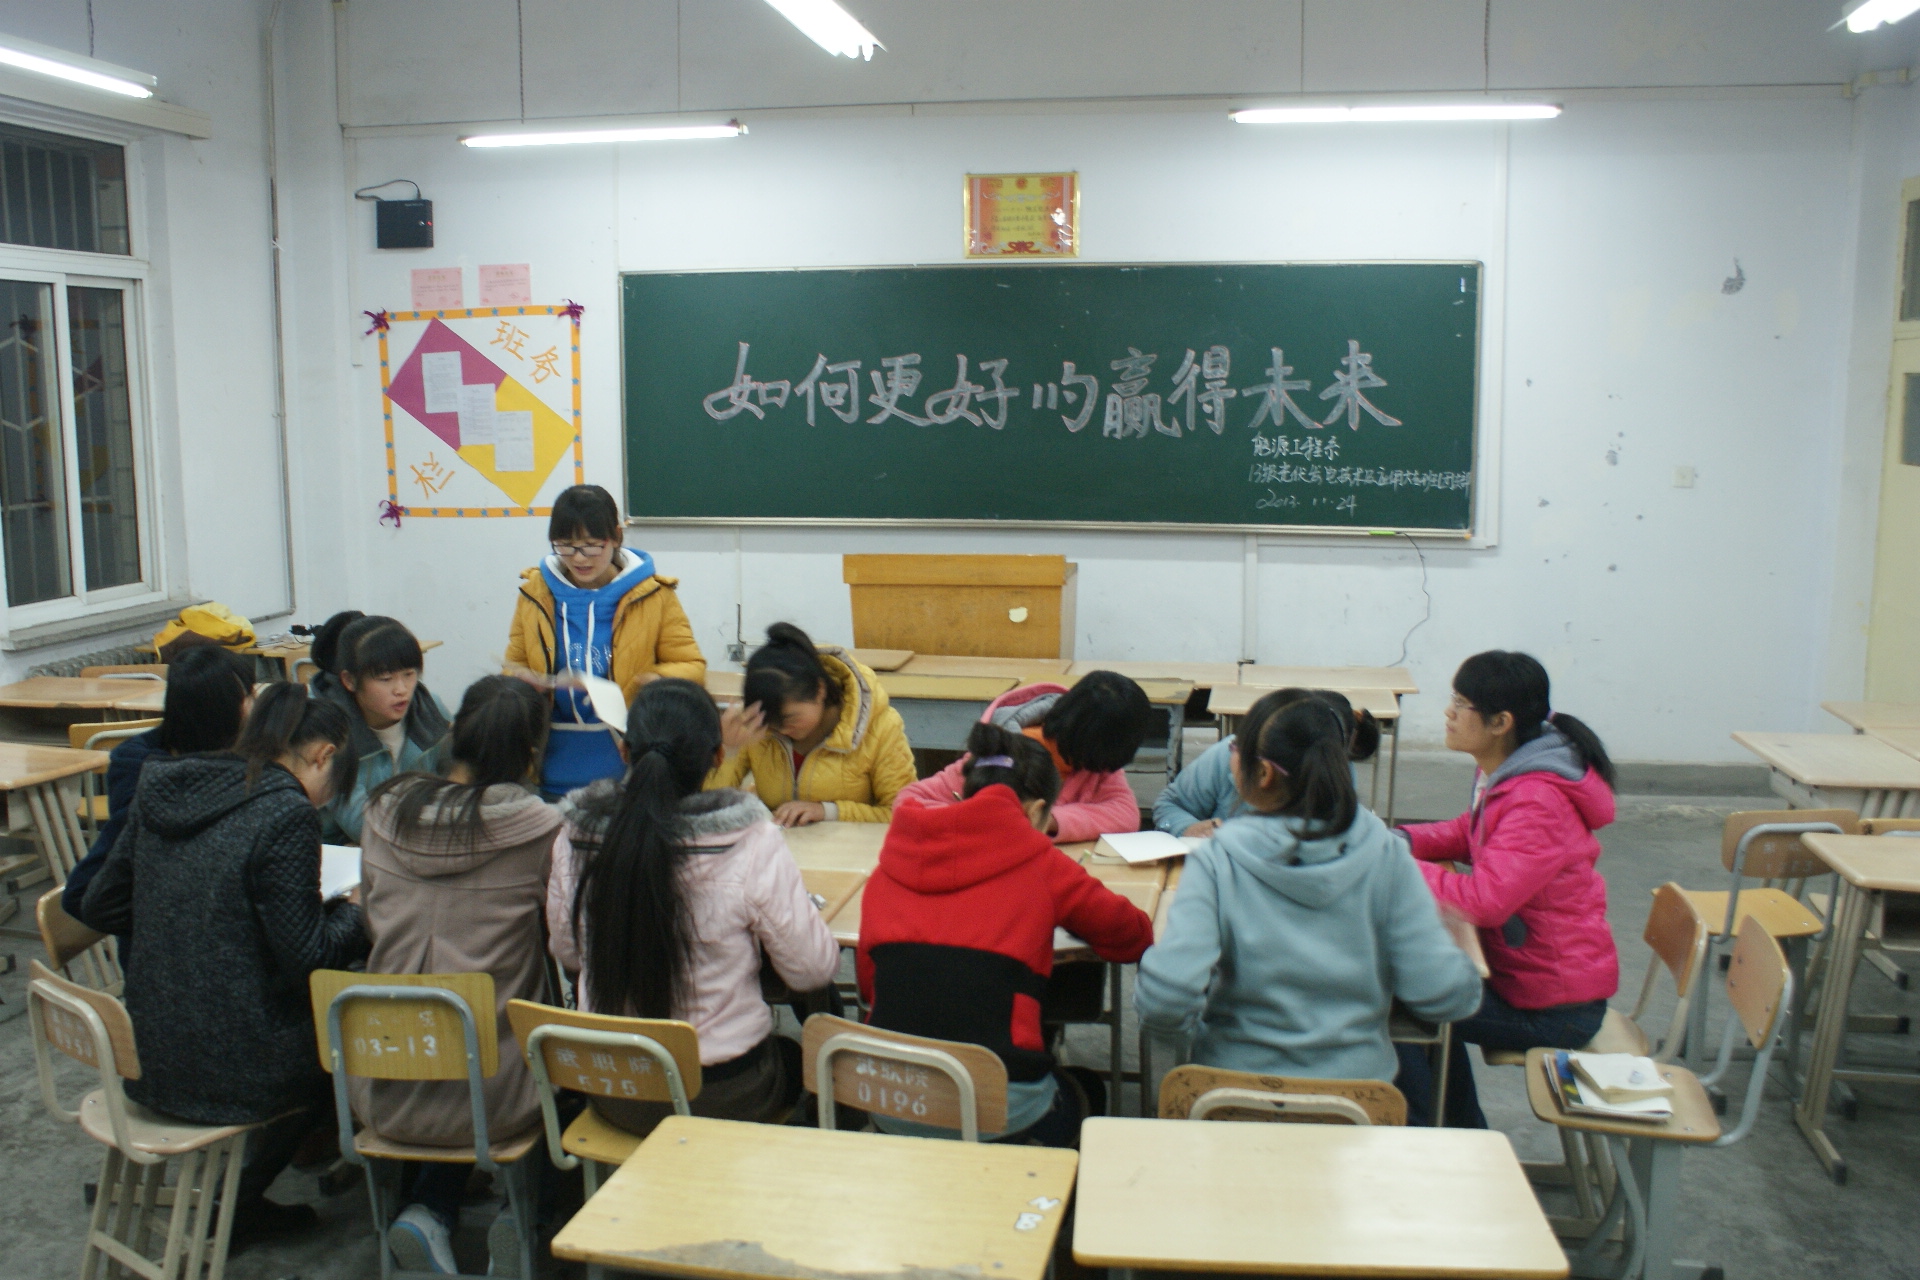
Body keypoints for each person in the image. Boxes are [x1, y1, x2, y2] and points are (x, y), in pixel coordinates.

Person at [81, 684, 367, 1246]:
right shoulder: (285, 811)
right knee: (337, 1050)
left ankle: (238, 1193)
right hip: (231, 1063)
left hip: (146, 1047)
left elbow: (100, 905)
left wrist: (192, 921)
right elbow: (310, 958)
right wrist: (355, 910)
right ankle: (238, 1207)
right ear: (323, 756)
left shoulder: (164, 784)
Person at [1135, 696, 1482, 1087]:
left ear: (1264, 773)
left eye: (1236, 748)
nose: (1229, 753)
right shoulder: (1388, 857)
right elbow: (1443, 995)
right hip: (1356, 1096)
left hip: (1230, 1089)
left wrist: (1188, 1036)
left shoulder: (1218, 860)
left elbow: (1167, 997)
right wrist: (1456, 953)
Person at [547, 678, 838, 1136]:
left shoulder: (576, 835)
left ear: (624, 752)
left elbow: (568, 954)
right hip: (722, 1096)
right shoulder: (750, 841)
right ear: (718, 757)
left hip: (614, 1089)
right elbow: (812, 971)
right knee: (797, 1055)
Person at [353, 675, 561, 1275]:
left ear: (452, 733)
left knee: (450, 1036)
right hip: (499, 1094)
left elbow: (368, 920)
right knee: (548, 1055)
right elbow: (565, 942)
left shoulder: (384, 811)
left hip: (385, 1081)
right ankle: (522, 1220)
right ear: (531, 754)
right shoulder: (540, 830)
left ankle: (428, 1211)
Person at [859, 721, 1154, 1145]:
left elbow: (869, 987)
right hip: (996, 1107)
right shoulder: (1042, 864)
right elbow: (1131, 936)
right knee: (1084, 1089)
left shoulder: (889, 866)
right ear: (1036, 812)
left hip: (891, 1100)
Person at [1394, 650, 1618, 1127]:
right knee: (1421, 995)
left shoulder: (1537, 799)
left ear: (1500, 722)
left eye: (1461, 704)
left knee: (1399, 1003)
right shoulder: (1510, 770)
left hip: (1554, 1009)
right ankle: (1456, 1132)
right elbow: (1469, 831)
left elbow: (1483, 901)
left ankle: (1426, 1140)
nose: (1448, 713)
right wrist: (1400, 839)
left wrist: (1389, 863)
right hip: (1524, 979)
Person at [504, 484, 706, 800]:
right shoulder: (535, 594)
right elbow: (513, 666)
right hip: (549, 763)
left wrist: (654, 679)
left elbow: (692, 667)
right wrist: (525, 683)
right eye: (565, 546)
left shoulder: (654, 594)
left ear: (615, 537)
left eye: (591, 546)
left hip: (628, 762)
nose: (578, 558)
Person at [64, 645, 256, 928]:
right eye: (249, 696)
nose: (256, 705)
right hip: (176, 936)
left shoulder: (244, 753)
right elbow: (84, 894)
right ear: (223, 711)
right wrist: (164, 925)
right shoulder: (143, 770)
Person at [895, 671, 1150, 843]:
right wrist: (977, 819)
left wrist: (1048, 820)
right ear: (1094, 745)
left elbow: (1125, 814)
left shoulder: (1095, 763)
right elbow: (907, 802)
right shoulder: (1001, 755)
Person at [706, 622, 914, 826]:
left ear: (820, 690)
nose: (782, 730)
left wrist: (827, 811)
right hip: (783, 845)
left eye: (791, 718)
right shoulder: (758, 726)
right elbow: (707, 809)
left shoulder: (880, 727)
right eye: (773, 723)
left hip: (855, 847)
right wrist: (727, 750)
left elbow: (903, 813)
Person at [1153, 688, 1380, 837]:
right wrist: (1187, 828)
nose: (1232, 748)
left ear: (1264, 773)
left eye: (1236, 747)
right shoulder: (1229, 753)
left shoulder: (1334, 777)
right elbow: (1169, 805)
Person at [312, 615, 451, 843]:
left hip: (419, 839)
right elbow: (362, 825)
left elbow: (458, 782)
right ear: (349, 681)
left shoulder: (430, 710)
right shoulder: (327, 729)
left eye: (409, 674)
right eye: (386, 679)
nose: (401, 689)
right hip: (343, 848)